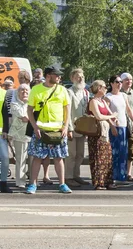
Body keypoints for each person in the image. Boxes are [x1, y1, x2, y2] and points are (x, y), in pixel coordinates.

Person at [25, 66, 72, 195]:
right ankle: (32, 184)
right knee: (37, 158)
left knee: (59, 157)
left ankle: (62, 184)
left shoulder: (62, 90)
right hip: (41, 130)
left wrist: (66, 126)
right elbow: (30, 110)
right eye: (56, 75)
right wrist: (35, 127)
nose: (59, 77)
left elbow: (67, 109)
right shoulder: (36, 89)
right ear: (48, 76)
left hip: (58, 130)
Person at [106, 75, 133, 185]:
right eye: (116, 82)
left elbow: (128, 110)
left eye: (120, 82)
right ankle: (112, 176)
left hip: (123, 126)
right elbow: (107, 113)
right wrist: (112, 125)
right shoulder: (108, 96)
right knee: (114, 152)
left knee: (123, 152)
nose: (119, 84)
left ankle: (122, 176)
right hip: (114, 127)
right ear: (111, 84)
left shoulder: (123, 95)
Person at [87, 80, 118, 190]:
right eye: (104, 87)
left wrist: (113, 123)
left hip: (105, 133)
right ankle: (98, 182)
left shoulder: (103, 102)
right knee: (97, 158)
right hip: (96, 132)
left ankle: (108, 181)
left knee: (107, 158)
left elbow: (110, 114)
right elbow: (99, 116)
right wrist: (111, 116)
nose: (106, 89)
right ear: (99, 88)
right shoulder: (93, 101)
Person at [65, 69, 89, 188]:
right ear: (72, 78)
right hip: (72, 127)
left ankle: (76, 175)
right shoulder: (69, 92)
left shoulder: (85, 92)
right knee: (71, 154)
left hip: (82, 128)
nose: (80, 79)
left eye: (82, 77)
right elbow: (67, 112)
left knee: (80, 154)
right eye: (78, 77)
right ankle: (68, 177)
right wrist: (68, 128)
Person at [9, 84, 31, 189]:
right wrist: (30, 115)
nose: (24, 92)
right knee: (21, 159)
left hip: (32, 135)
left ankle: (32, 180)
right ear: (18, 93)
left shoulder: (31, 104)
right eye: (22, 90)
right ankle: (20, 181)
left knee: (32, 159)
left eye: (27, 90)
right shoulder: (14, 104)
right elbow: (24, 116)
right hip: (20, 136)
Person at [121, 73, 133, 183]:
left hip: (130, 125)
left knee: (131, 150)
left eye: (131, 80)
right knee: (120, 149)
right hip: (120, 125)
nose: (129, 82)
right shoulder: (118, 93)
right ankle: (120, 172)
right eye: (127, 80)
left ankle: (128, 173)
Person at [0, 85, 10, 193]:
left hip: (1, 133)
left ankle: (3, 183)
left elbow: (6, 114)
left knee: (5, 158)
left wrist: (6, 130)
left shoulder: (4, 93)